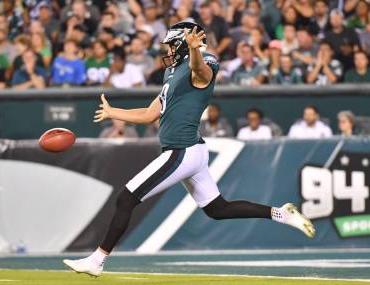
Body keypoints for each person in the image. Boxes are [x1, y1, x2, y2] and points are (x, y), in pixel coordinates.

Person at [63, 21, 315, 278]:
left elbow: (200, 72)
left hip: (181, 150)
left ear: (184, 44)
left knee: (126, 198)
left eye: (172, 45)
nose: (168, 51)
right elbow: (151, 114)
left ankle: (97, 260)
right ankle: (281, 213)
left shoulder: (204, 61)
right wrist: (113, 112)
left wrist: (194, 50)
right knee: (218, 209)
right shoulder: (171, 72)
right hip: (191, 150)